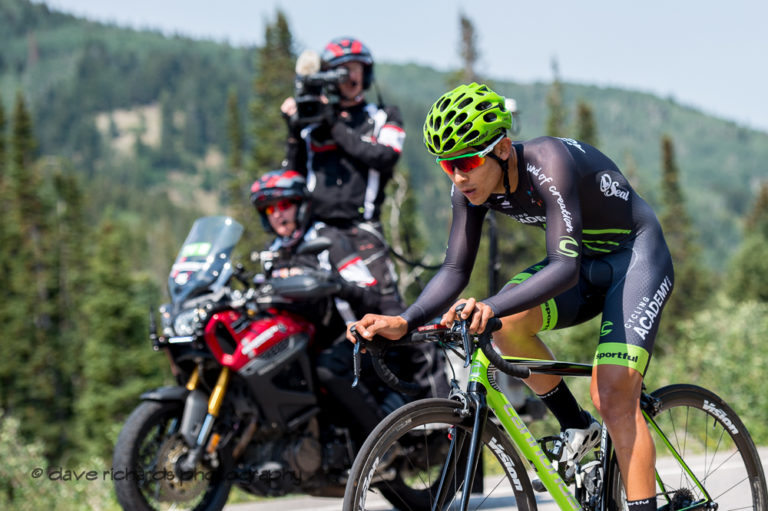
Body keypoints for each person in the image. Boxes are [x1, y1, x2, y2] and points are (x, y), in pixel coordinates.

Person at [348, 82, 674, 510]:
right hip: (585, 259)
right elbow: (454, 269)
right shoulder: (469, 188)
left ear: (502, 148)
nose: (459, 176)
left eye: (466, 161)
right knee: (509, 325)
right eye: (447, 166)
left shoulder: (549, 162)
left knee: (613, 395)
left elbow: (562, 265)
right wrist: (405, 321)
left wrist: (490, 305)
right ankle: (578, 428)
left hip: (634, 258)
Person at [250, 169, 447, 446]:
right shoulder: (274, 251)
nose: (277, 214)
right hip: (307, 341)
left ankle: (382, 445)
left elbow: (372, 293)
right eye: (269, 209)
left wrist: (337, 284)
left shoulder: (327, 240)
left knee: (328, 369)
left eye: (284, 205)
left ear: (301, 205)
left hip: (358, 334)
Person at [281, 36, 406, 316]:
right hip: (316, 231)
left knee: (388, 310)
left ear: (367, 73)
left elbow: (384, 156)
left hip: (364, 229)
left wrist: (334, 124)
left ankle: (422, 360)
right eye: (340, 69)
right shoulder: (314, 120)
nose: (349, 76)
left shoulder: (384, 116)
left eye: (355, 68)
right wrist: (293, 132)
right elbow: (293, 175)